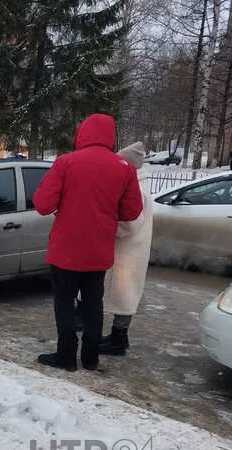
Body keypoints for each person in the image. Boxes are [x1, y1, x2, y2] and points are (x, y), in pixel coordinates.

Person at [33, 114, 143, 372]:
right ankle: (91, 358)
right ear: (110, 136)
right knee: (94, 304)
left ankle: (66, 356)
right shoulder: (124, 168)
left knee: (64, 303)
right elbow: (131, 212)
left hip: (65, 252)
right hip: (98, 252)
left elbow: (42, 205)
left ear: (82, 133)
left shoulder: (66, 163)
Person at [99, 141, 151, 355]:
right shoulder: (137, 184)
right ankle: (119, 336)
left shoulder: (136, 188)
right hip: (130, 248)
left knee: (124, 294)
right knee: (123, 293)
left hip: (129, 249)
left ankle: (118, 339)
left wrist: (107, 228)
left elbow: (130, 223)